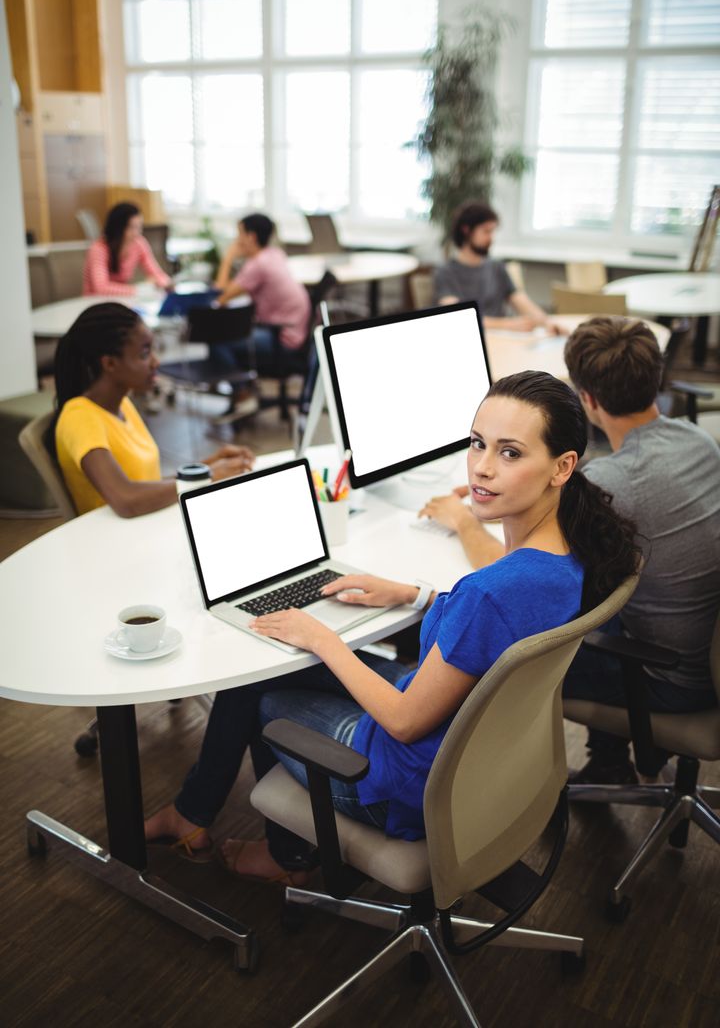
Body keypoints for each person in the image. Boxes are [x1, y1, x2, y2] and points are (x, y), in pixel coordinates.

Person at [144, 370, 638, 881]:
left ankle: (284, 855)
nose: (482, 468)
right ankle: (195, 816)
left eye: (510, 453)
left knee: (263, 692)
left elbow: (404, 722)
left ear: (562, 467)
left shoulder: (490, 593)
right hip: (472, 756)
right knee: (287, 662)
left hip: (401, 785)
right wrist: (413, 594)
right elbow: (496, 618)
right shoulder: (566, 556)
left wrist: (322, 638)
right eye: (477, 443)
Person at [560, 316, 720, 784]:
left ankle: (528, 801)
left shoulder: (609, 483)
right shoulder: (700, 441)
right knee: (602, 595)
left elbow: (527, 568)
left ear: (587, 399)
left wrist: (462, 520)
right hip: (702, 649)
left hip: (672, 680)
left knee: (512, 660)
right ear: (656, 379)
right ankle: (609, 764)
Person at [52, 303, 255, 517]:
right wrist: (210, 476)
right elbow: (127, 500)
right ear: (110, 363)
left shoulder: (122, 404)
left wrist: (207, 467)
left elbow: (146, 485)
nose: (155, 362)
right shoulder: (80, 418)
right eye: (144, 354)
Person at [210, 213, 312, 423]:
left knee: (216, 338)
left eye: (240, 234)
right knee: (230, 332)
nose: (237, 240)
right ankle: (246, 390)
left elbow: (219, 295)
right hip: (296, 333)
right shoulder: (275, 254)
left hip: (281, 339)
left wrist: (228, 258)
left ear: (251, 237)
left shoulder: (257, 265)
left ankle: (243, 394)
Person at [435, 201, 562, 333]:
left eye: (492, 231)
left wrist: (548, 323)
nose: (491, 238)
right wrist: (507, 324)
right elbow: (456, 317)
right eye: (486, 231)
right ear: (466, 230)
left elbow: (522, 303)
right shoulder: (446, 272)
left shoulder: (497, 267)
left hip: (503, 338)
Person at [83, 202, 173, 298]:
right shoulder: (99, 249)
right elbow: (101, 288)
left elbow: (156, 273)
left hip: (120, 299)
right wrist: (138, 290)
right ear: (117, 228)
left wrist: (166, 283)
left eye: (139, 227)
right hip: (95, 301)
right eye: (131, 227)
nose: (136, 233)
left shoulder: (138, 243)